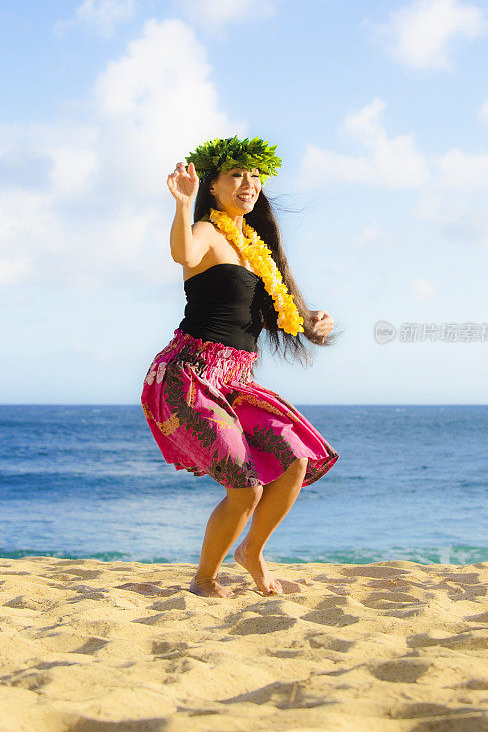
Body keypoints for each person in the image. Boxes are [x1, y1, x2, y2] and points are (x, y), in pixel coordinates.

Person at [141, 135, 342, 599]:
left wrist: (312, 320)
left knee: (295, 458)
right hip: (189, 375)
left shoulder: (256, 251)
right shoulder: (208, 234)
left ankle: (252, 552)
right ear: (213, 187)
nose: (248, 183)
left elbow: (276, 313)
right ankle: (204, 578)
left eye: (254, 176)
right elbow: (183, 254)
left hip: (236, 381)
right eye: (236, 174)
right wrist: (182, 204)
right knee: (246, 488)